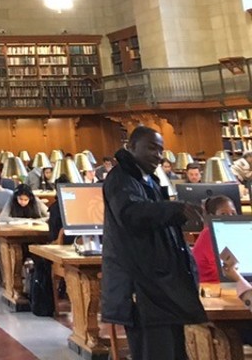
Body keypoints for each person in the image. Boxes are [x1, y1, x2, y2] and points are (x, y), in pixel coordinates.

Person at [101, 125, 205, 360]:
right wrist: (175, 209)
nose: (158, 155)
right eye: (151, 148)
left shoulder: (149, 180)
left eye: (161, 150)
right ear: (131, 146)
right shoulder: (121, 178)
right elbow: (131, 213)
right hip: (143, 289)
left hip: (162, 288)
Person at [191, 194, 236, 283]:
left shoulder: (228, 233)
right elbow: (223, 271)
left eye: (233, 213)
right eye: (223, 214)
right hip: (211, 285)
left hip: (225, 282)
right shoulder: (209, 233)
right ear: (212, 216)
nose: (230, 217)